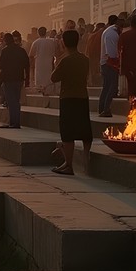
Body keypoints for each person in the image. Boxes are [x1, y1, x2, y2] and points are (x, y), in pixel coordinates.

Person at [50, 29, 92, 175]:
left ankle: (69, 164)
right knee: (84, 127)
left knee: (67, 132)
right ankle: (86, 159)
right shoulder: (85, 59)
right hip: (82, 96)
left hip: (68, 97)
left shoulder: (65, 60)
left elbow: (53, 78)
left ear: (63, 43)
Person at [0, 33, 29, 129]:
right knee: (16, 101)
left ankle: (14, 123)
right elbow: (27, 65)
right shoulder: (21, 50)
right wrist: (27, 78)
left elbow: (2, 67)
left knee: (11, 101)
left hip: (8, 79)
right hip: (19, 78)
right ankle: (15, 122)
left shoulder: (5, 51)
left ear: (6, 41)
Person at [98, 14, 121, 117]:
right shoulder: (112, 33)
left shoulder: (110, 31)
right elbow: (111, 53)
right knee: (112, 86)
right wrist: (117, 64)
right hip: (109, 63)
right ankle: (106, 109)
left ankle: (102, 108)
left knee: (107, 86)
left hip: (106, 63)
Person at [29, 27, 57, 95]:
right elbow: (55, 52)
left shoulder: (36, 42)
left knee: (40, 80)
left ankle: (41, 92)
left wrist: (31, 65)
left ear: (38, 33)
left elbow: (31, 55)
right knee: (48, 79)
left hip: (39, 64)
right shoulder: (51, 42)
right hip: (49, 63)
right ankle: (48, 92)